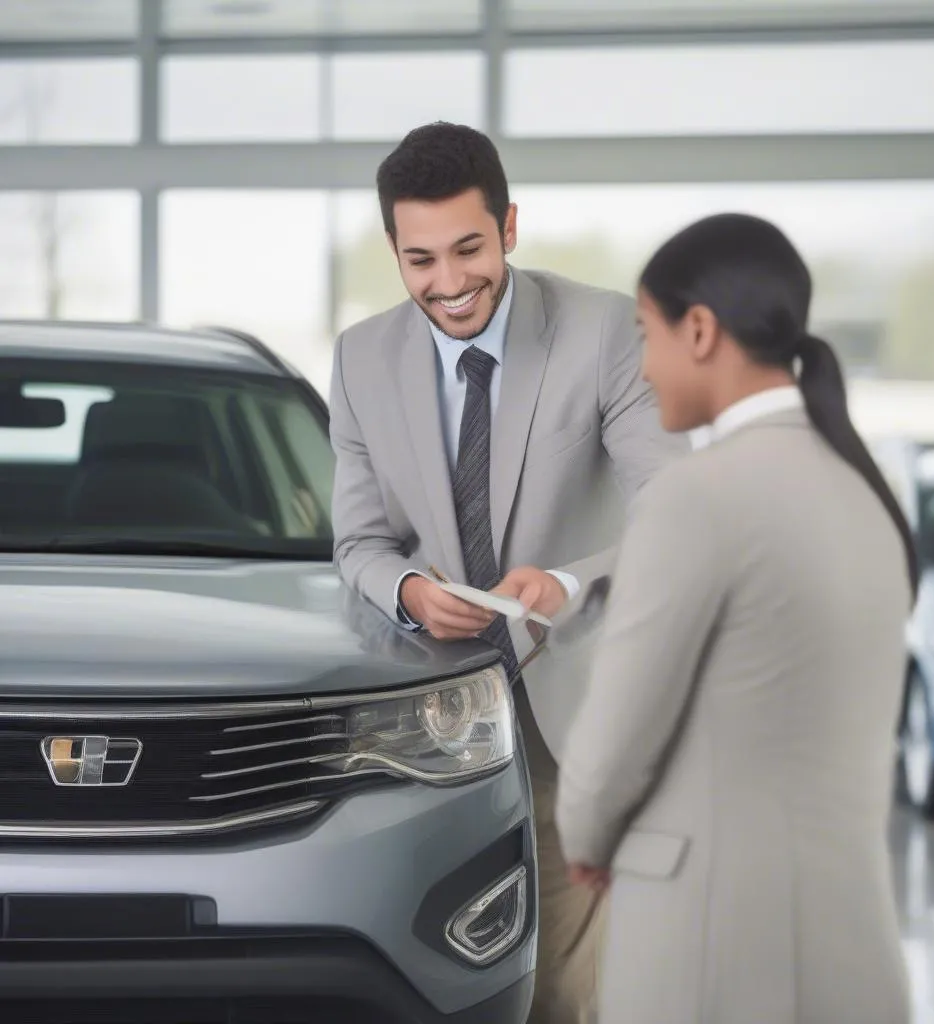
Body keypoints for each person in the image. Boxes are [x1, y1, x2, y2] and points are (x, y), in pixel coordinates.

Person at [328, 122, 685, 1023]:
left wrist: (567, 586)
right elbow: (358, 545)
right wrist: (408, 593)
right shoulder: (361, 358)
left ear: (509, 226)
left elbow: (682, 516)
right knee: (431, 970)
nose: (448, 284)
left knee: (566, 987)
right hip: (426, 726)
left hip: (575, 707)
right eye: (420, 260)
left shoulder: (605, 330)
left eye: (468, 249)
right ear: (394, 252)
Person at [555, 212, 917, 1024]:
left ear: (701, 329)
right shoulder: (870, 497)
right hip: (852, 953)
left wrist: (588, 836)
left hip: (710, 948)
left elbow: (613, 747)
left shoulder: (694, 496)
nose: (645, 370)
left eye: (648, 335)